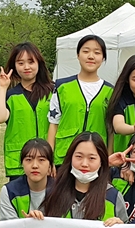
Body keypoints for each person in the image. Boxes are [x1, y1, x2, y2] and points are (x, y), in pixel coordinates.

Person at [32, 132, 128, 225]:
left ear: (101, 162)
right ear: (70, 158)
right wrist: (34, 220)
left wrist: (121, 226)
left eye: (92, 158)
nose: (84, 164)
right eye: (79, 157)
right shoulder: (53, 193)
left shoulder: (113, 196)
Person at [47, 36, 113, 164]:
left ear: (103, 58)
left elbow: (111, 130)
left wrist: (108, 160)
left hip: (96, 158)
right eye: (86, 51)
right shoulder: (62, 87)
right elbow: (53, 124)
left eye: (97, 52)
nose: (91, 56)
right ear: (78, 55)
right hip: (64, 158)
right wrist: (50, 159)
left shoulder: (110, 91)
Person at [0, 42, 54, 178]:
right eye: (20, 63)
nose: (26, 67)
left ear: (39, 63)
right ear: (14, 66)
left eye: (31, 62)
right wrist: (3, 87)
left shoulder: (54, 92)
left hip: (47, 162)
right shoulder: (10, 96)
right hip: (19, 163)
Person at [0, 138, 55, 220]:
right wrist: (28, 224)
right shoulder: (9, 191)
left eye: (41, 160)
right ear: (22, 164)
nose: (35, 165)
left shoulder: (61, 190)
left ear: (50, 165)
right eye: (28, 160)